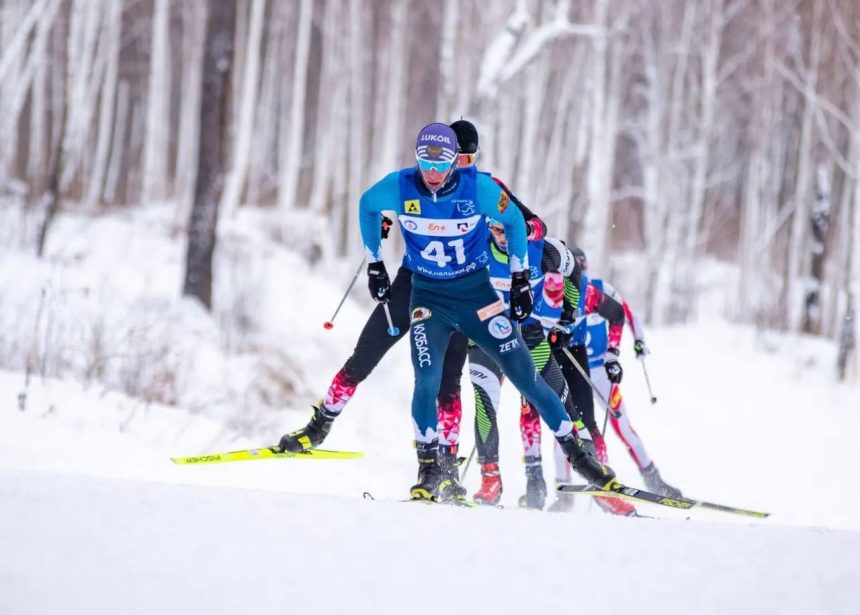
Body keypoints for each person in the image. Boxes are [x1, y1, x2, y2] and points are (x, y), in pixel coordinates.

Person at [276, 120, 545, 504]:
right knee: (364, 355)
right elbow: (377, 205)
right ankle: (318, 426)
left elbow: (533, 225)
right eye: (457, 157)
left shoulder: (486, 187)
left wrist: (511, 253)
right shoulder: (418, 182)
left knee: (447, 382)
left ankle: (445, 470)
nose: (460, 165)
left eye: (468, 158)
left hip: (462, 291)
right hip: (414, 283)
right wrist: (382, 237)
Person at [358, 122, 616, 500]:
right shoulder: (401, 186)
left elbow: (520, 222)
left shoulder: (480, 188)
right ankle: (434, 470)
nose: (432, 172)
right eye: (425, 162)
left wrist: (524, 282)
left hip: (480, 301)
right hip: (429, 298)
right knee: (429, 380)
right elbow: (367, 204)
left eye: (445, 162)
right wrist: (375, 263)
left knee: (530, 380)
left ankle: (578, 455)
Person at [463, 221, 593, 509]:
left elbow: (574, 272)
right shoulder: (476, 246)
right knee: (485, 402)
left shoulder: (541, 249)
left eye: (509, 231)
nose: (503, 238)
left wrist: (568, 316)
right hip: (488, 335)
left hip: (530, 336)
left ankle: (591, 464)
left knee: (560, 400)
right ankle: (491, 479)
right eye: (496, 232)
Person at [553, 247, 681, 501]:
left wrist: (635, 343)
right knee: (567, 426)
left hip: (599, 370)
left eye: (583, 268)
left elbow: (625, 313)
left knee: (621, 425)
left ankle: (653, 478)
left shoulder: (597, 288)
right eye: (575, 269)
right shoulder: (556, 290)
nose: (580, 275)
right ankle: (564, 488)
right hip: (570, 366)